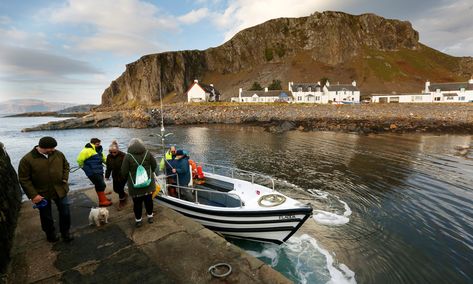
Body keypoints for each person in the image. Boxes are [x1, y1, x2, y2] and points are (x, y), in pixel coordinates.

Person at [18, 136, 73, 242]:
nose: (53, 150)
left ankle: (65, 232)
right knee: (46, 216)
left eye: (54, 147)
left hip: (60, 189)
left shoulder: (58, 154)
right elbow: (24, 179)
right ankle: (50, 234)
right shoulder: (27, 159)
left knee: (65, 212)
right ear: (42, 147)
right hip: (41, 193)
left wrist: (65, 178)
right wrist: (33, 195)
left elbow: (66, 165)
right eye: (51, 148)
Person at [121, 138, 157, 227]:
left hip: (135, 186)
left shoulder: (128, 156)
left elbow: (124, 171)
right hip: (148, 184)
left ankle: (138, 220)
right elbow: (154, 165)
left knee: (137, 203)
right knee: (149, 201)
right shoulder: (147, 153)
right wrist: (149, 174)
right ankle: (150, 217)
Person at [77, 138, 112, 207]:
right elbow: (79, 160)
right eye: (97, 144)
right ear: (92, 143)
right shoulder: (86, 150)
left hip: (99, 170)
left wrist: (109, 164)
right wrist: (85, 168)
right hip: (92, 171)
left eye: (99, 144)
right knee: (101, 185)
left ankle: (102, 199)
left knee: (100, 185)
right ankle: (102, 201)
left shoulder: (98, 150)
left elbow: (103, 159)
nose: (98, 145)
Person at [105, 140, 128, 210]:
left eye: (115, 152)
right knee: (115, 189)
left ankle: (122, 201)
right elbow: (108, 167)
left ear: (118, 150)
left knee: (120, 189)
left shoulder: (123, 155)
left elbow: (128, 165)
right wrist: (107, 176)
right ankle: (124, 195)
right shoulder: (109, 157)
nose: (113, 154)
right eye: (111, 152)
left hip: (123, 175)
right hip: (115, 175)